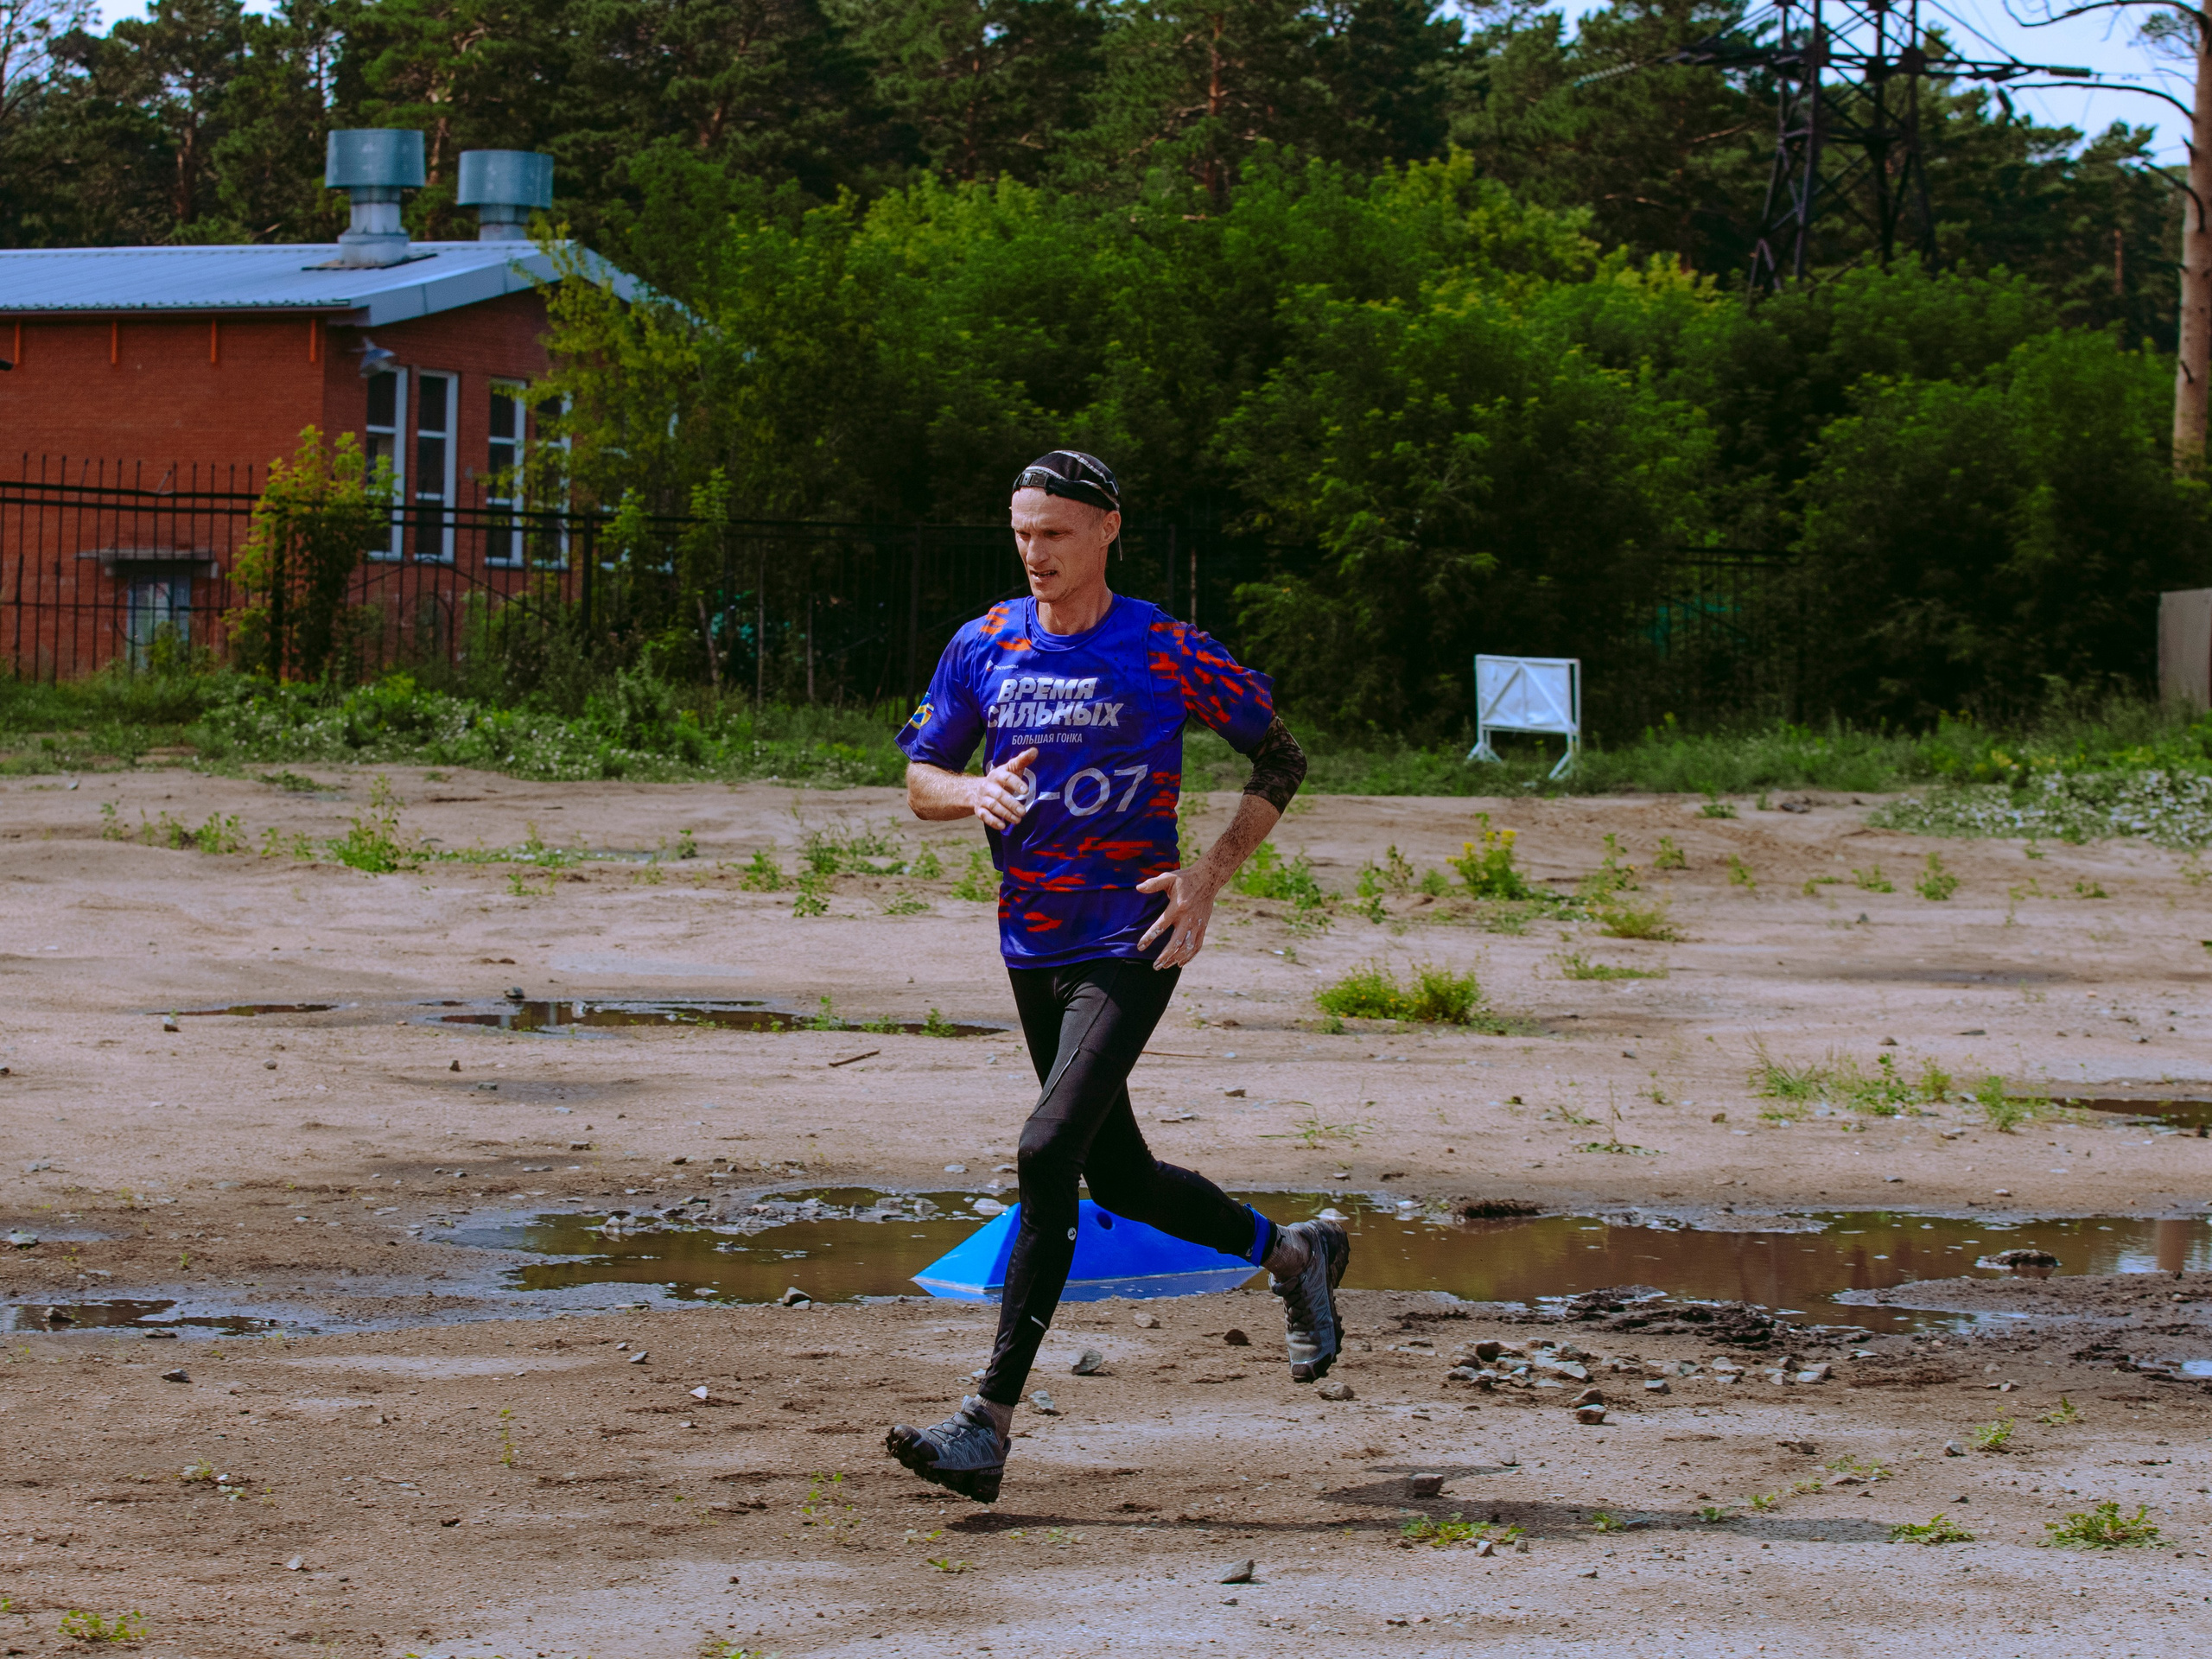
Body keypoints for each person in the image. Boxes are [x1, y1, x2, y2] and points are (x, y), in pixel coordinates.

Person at [883, 448, 1349, 1504]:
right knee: (1120, 1178)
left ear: (1105, 531)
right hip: (1030, 943)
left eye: (1053, 532)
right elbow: (918, 778)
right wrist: (968, 795)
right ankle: (1295, 1257)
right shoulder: (984, 642)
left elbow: (1280, 757)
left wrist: (1208, 877)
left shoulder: (1164, 647)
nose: (1034, 551)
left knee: (1047, 1148)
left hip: (1134, 933)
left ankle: (985, 1425)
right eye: (1020, 533)